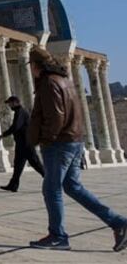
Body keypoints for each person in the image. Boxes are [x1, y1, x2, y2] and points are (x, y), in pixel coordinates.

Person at [27, 46, 127, 251]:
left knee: (51, 189)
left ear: (36, 66)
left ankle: (58, 236)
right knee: (73, 187)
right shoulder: (64, 80)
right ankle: (119, 223)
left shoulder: (48, 82)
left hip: (59, 143)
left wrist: (46, 139)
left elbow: (55, 116)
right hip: (73, 140)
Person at [0, 95, 44, 192]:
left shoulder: (20, 112)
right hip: (22, 144)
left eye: (10, 103)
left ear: (15, 102)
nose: (9, 106)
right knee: (18, 165)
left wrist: (4, 134)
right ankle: (13, 185)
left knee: (36, 164)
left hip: (26, 144)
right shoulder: (19, 112)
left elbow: (16, 127)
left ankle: (52, 181)